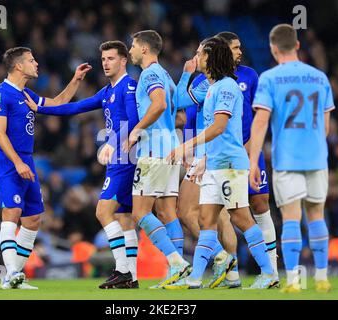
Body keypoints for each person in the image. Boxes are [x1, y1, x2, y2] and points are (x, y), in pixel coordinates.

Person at [25, 40, 140, 289]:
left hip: (124, 157)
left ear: (123, 61)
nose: (106, 63)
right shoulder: (108, 91)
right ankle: (132, 276)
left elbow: (135, 120)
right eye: (103, 59)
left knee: (103, 211)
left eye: (111, 58)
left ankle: (122, 270)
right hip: (121, 158)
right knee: (125, 217)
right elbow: (76, 107)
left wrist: (113, 143)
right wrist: (41, 109)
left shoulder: (128, 87)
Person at [165, 36, 275, 289]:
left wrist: (186, 145)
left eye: (201, 53)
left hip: (229, 163)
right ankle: (195, 279)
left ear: (211, 57)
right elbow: (180, 101)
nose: (197, 57)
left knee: (241, 219)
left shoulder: (226, 87)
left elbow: (219, 127)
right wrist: (204, 157)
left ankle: (269, 273)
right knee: (206, 221)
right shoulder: (211, 86)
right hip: (215, 162)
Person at [0, 46, 91, 289]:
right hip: (8, 161)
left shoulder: (27, 94)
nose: (36, 64)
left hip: (26, 160)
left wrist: (75, 80)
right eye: (31, 60)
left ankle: (13, 277)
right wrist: (17, 162)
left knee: (33, 219)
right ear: (18, 66)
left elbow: (57, 103)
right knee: (11, 213)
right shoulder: (0, 94)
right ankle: (11, 271)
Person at [249, 24, 334, 293]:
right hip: (317, 156)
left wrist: (253, 161)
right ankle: (321, 277)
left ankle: (295, 281)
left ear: (273, 49)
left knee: (291, 218)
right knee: (317, 215)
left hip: (287, 158)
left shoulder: (270, 78)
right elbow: (327, 126)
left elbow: (261, 122)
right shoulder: (320, 77)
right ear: (297, 45)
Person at [125, 30, 191, 289]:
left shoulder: (150, 73)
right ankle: (178, 274)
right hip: (171, 149)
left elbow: (160, 104)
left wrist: (136, 130)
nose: (130, 50)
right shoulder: (167, 76)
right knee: (166, 212)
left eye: (132, 46)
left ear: (144, 49)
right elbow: (182, 119)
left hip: (152, 151)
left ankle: (176, 262)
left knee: (140, 213)